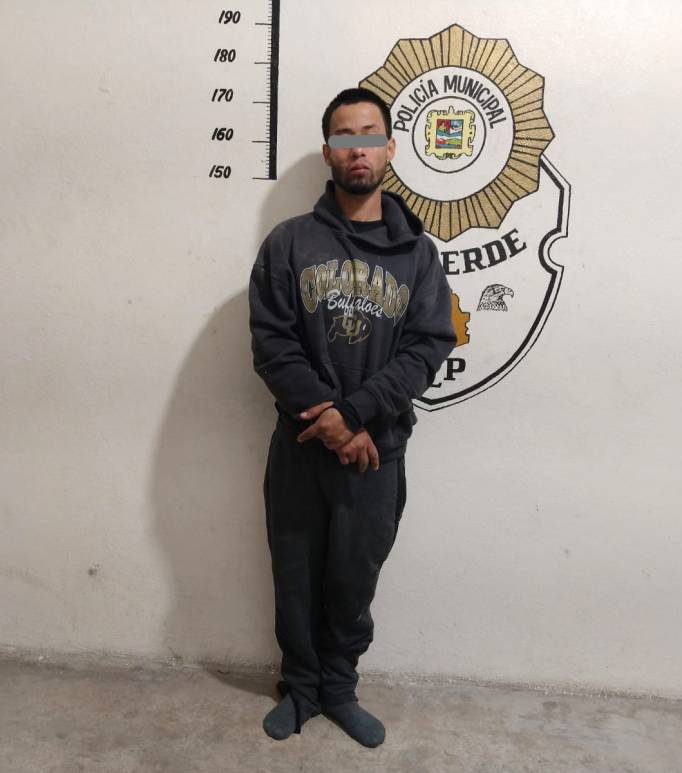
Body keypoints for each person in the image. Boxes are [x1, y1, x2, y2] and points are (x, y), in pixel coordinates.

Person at [248, 87, 456, 747]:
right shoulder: (289, 244)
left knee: (352, 579)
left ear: (389, 147)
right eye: (345, 136)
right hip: (302, 448)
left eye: (369, 135)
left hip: (377, 451)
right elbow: (272, 344)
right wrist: (330, 420)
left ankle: (338, 687)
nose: (357, 148)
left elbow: (427, 347)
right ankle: (301, 688)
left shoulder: (418, 254)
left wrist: (358, 415)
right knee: (295, 573)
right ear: (328, 151)